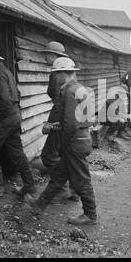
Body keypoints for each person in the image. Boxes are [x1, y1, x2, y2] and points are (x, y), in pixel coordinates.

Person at [25, 57, 98, 226]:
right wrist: (60, 125)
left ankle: (90, 215)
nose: (54, 79)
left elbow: (72, 124)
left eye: (56, 74)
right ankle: (39, 204)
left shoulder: (69, 90)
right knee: (59, 175)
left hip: (74, 143)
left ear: (61, 74)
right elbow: (79, 119)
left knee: (81, 179)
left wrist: (63, 143)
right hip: (82, 138)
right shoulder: (80, 88)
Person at [0, 43, 36, 198]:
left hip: (4, 118)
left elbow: (4, 100)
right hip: (14, 115)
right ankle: (30, 186)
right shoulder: (6, 71)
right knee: (17, 152)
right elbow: (16, 94)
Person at [40, 41, 78, 203]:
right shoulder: (68, 72)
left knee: (49, 155)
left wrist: (51, 123)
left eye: (48, 54)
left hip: (59, 118)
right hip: (66, 117)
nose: (46, 57)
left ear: (56, 56)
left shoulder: (58, 74)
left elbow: (58, 101)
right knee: (64, 154)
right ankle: (74, 190)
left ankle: (62, 189)